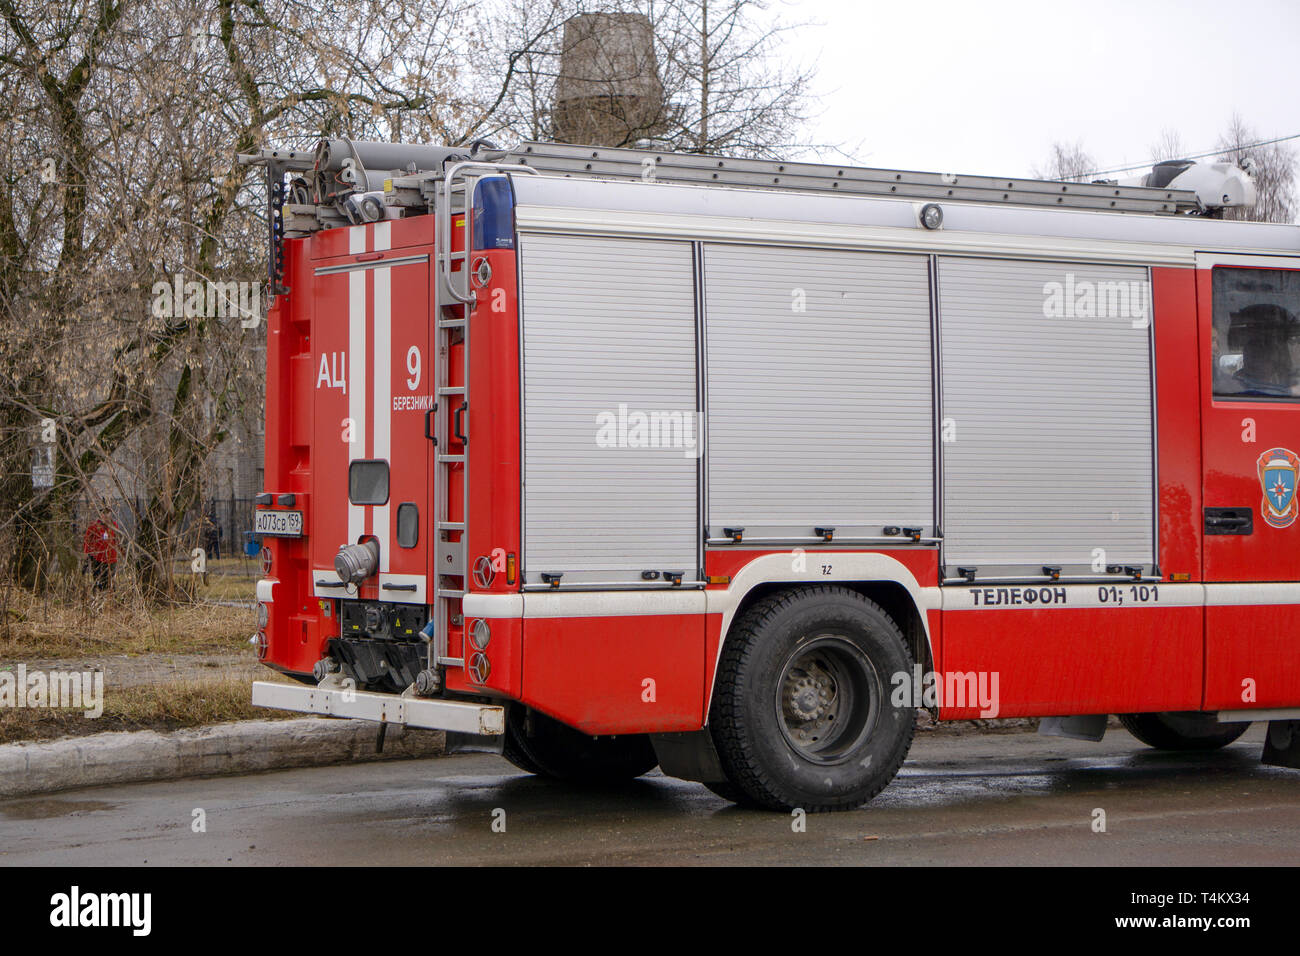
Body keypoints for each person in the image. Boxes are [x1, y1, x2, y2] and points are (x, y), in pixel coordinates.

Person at [83, 509, 119, 591]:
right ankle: (99, 595)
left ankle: (110, 595)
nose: (106, 516)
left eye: (108, 513)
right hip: (98, 558)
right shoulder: (94, 526)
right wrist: (86, 553)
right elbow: (87, 540)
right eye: (104, 513)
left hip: (111, 558)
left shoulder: (114, 525)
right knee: (98, 579)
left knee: (110, 579)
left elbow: (117, 540)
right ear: (100, 514)